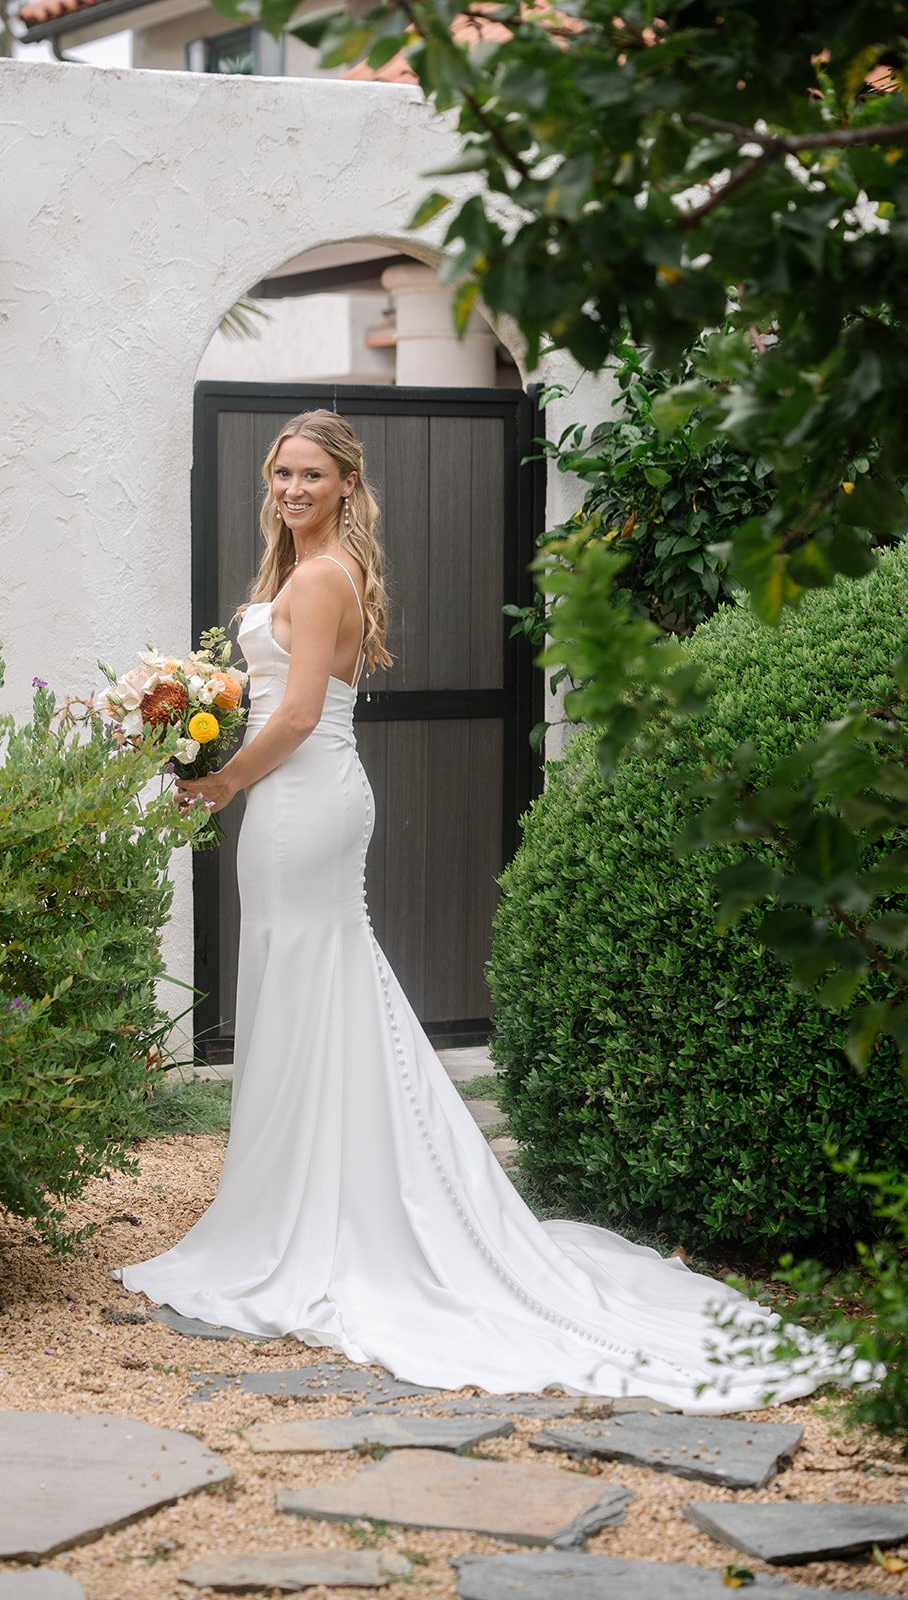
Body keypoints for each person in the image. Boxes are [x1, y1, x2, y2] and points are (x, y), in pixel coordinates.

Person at [118, 409, 862, 1409]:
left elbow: (294, 714)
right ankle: (298, 1190)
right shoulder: (295, 572)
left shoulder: (327, 573)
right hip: (294, 799)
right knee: (305, 980)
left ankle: (319, 1214)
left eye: (308, 475)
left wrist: (219, 782)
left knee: (312, 972)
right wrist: (197, 719)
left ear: (344, 484)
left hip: (303, 798)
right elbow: (265, 695)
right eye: (280, 473)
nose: (290, 489)